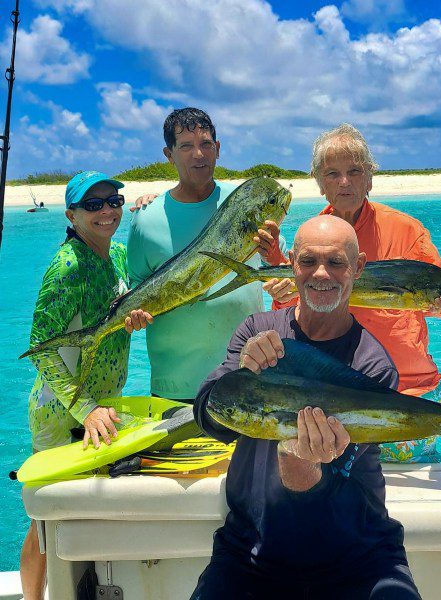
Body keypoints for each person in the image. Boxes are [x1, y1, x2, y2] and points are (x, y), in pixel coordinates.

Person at [191, 216, 421, 600]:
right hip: (251, 552)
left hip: (359, 555)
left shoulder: (372, 366)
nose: (321, 274)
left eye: (336, 263)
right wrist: (239, 371)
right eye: (308, 261)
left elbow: (326, 501)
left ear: (358, 268)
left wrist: (299, 461)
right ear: (291, 263)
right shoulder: (257, 331)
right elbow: (209, 418)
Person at [258, 123, 441, 464]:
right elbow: (297, 313)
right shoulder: (313, 234)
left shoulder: (407, 229)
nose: (345, 182)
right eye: (333, 173)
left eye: (355, 171)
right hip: (335, 397)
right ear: (319, 181)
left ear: (370, 177)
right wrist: (280, 287)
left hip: (407, 391)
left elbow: (439, 294)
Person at [21, 171, 152, 600]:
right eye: (92, 205)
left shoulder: (115, 253)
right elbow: (41, 349)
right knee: (46, 518)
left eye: (113, 201)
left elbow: (131, 307)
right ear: (71, 215)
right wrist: (85, 407)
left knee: (83, 509)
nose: (106, 211)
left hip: (102, 407)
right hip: (64, 411)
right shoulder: (66, 268)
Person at [127, 108, 280, 402]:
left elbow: (278, 268)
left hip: (248, 377)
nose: (198, 154)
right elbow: (137, 286)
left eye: (206, 144)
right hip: (174, 388)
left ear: (218, 149)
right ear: (169, 154)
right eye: (185, 146)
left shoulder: (246, 205)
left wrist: (277, 267)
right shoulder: (146, 219)